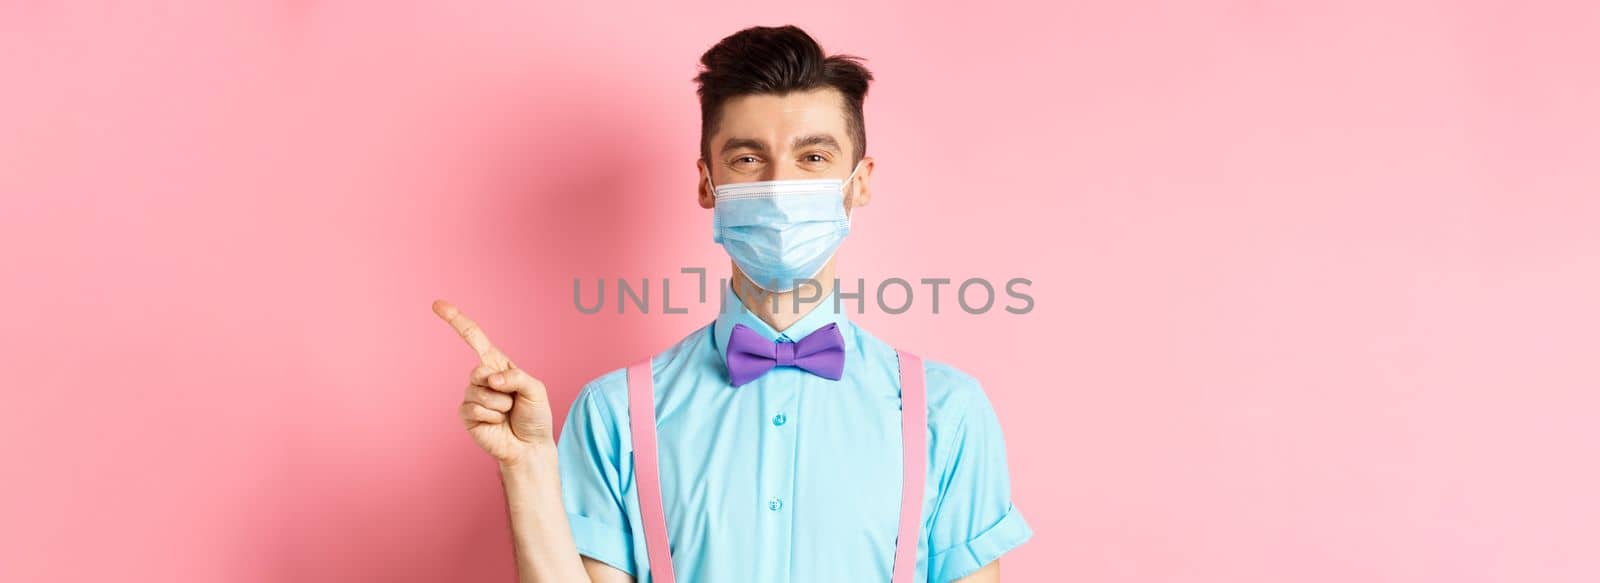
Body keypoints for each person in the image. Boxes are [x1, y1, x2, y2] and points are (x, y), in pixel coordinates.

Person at [432, 25, 1031, 583]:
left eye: (814, 157)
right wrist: (527, 465)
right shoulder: (614, 412)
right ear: (706, 182)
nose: (781, 185)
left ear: (861, 181)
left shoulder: (948, 413)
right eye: (748, 159)